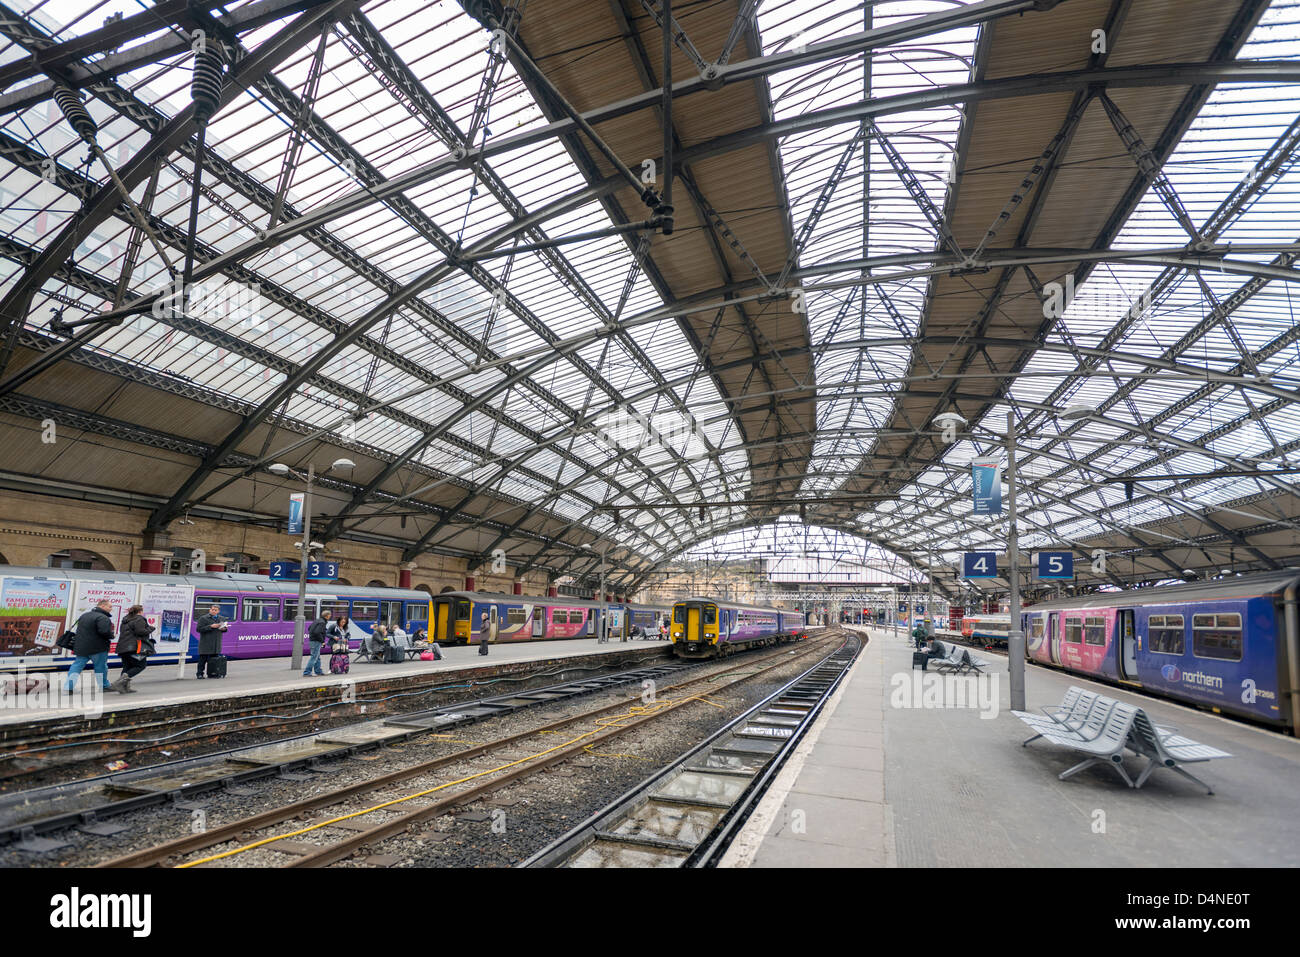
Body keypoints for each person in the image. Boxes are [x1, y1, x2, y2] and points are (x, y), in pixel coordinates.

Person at [65, 599, 115, 694]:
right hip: (97, 648)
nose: (111, 609)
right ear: (103, 606)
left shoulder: (84, 615)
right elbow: (104, 631)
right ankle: (104, 686)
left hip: (82, 647)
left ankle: (68, 687)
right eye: (110, 606)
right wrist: (111, 636)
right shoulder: (103, 617)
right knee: (101, 668)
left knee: (76, 666)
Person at [112, 604, 154, 694]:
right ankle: (119, 682)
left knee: (127, 667)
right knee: (141, 665)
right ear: (140, 611)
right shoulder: (139, 619)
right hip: (134, 647)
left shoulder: (125, 619)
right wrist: (150, 628)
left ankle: (124, 688)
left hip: (122, 647)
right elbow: (140, 632)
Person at [194, 604, 229, 678]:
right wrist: (210, 626)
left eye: (215, 610)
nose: (213, 611)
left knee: (214, 660)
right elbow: (199, 629)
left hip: (216, 643)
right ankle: (200, 674)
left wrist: (224, 629)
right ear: (209, 610)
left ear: (218, 611)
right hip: (206, 643)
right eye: (212, 609)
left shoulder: (222, 618)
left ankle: (213, 673)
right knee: (202, 660)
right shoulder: (203, 618)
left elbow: (225, 630)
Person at [304, 609, 331, 676]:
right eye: (330, 615)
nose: (330, 616)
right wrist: (322, 641)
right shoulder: (322, 622)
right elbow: (317, 632)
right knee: (314, 657)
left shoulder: (317, 620)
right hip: (316, 641)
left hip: (313, 640)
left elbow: (309, 628)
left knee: (317, 657)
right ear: (327, 616)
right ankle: (307, 672)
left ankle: (318, 671)